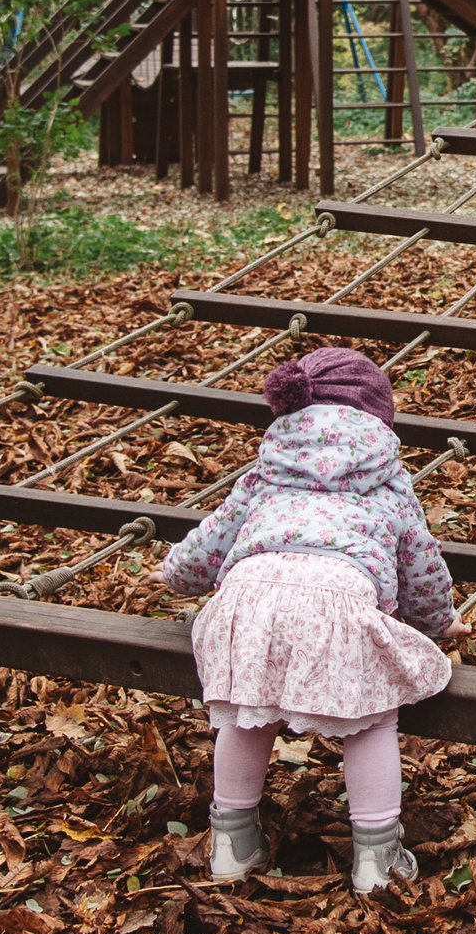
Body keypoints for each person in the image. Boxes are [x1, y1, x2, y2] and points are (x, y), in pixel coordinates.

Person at [159, 348, 459, 891]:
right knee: (371, 719)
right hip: (337, 601)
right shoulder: (388, 485)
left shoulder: (264, 476)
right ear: (379, 419)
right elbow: (422, 568)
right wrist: (439, 623)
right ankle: (377, 858)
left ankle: (232, 843)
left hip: (245, 599)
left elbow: (203, 549)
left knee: (246, 714)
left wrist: (176, 575)